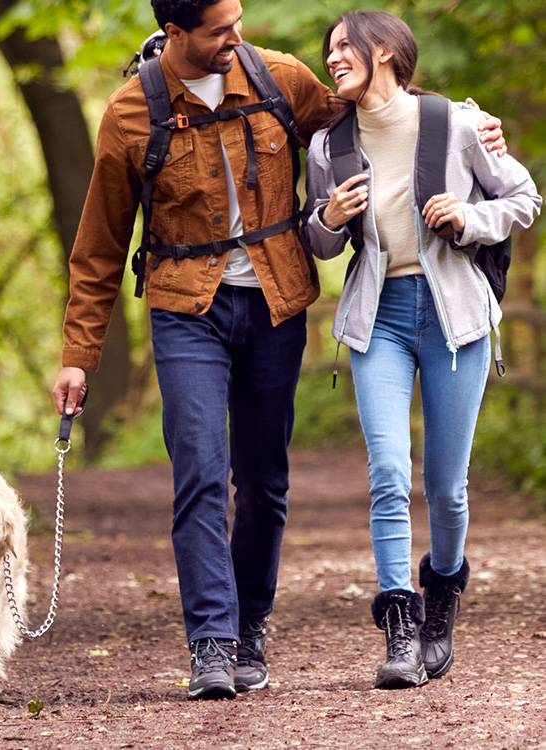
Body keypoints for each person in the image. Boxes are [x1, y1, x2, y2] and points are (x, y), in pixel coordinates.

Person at [51, 0, 505, 701]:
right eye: (221, 30)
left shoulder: (277, 78)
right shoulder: (130, 114)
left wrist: (465, 122)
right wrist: (80, 353)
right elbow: (100, 243)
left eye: (238, 20)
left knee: (262, 478)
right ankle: (212, 641)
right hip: (183, 306)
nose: (238, 36)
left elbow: (378, 111)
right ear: (176, 34)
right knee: (199, 468)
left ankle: (251, 624)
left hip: (273, 300)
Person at [303, 11, 541, 690]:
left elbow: (524, 198)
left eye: (344, 46)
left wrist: (469, 218)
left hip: (454, 319)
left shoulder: (456, 124)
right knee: (387, 471)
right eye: (329, 49)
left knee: (446, 487)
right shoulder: (329, 145)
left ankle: (441, 596)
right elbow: (317, 242)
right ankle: (399, 627)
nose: (333, 57)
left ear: (384, 51)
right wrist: (328, 219)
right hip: (378, 319)